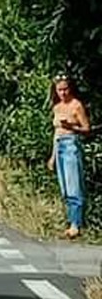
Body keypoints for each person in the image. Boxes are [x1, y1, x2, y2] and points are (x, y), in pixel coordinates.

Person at [48, 74, 91, 239]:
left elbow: (86, 128)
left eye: (65, 89)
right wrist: (52, 156)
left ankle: (76, 224)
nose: (63, 93)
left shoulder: (76, 105)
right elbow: (55, 132)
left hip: (71, 143)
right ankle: (70, 221)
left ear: (70, 88)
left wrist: (72, 126)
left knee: (74, 186)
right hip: (59, 145)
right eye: (59, 89)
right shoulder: (57, 107)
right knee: (65, 188)